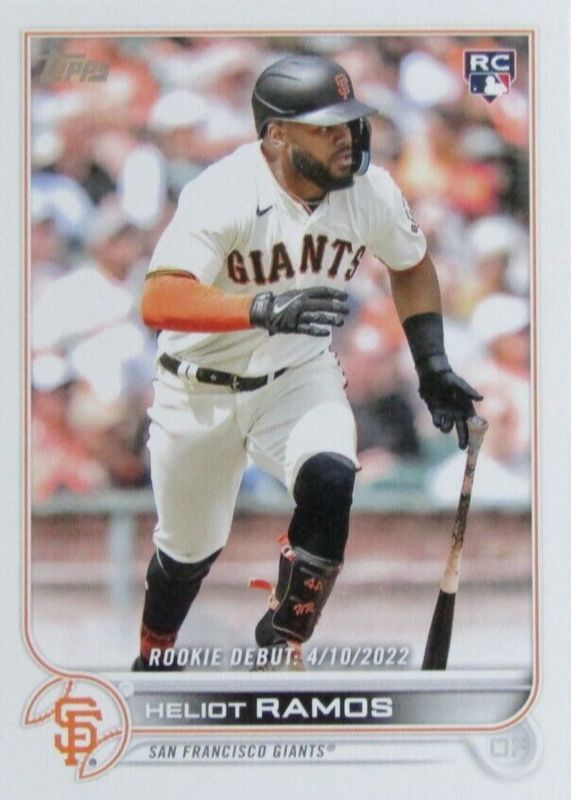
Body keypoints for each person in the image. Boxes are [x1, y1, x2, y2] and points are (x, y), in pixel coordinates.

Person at [132, 54, 481, 671]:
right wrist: (260, 307)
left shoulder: (370, 191)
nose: (347, 136)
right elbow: (159, 299)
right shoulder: (225, 190)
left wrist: (431, 364)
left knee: (331, 477)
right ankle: (153, 655)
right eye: (326, 126)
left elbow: (410, 265)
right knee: (188, 550)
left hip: (297, 375)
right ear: (277, 135)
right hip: (198, 388)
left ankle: (280, 643)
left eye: (349, 121)